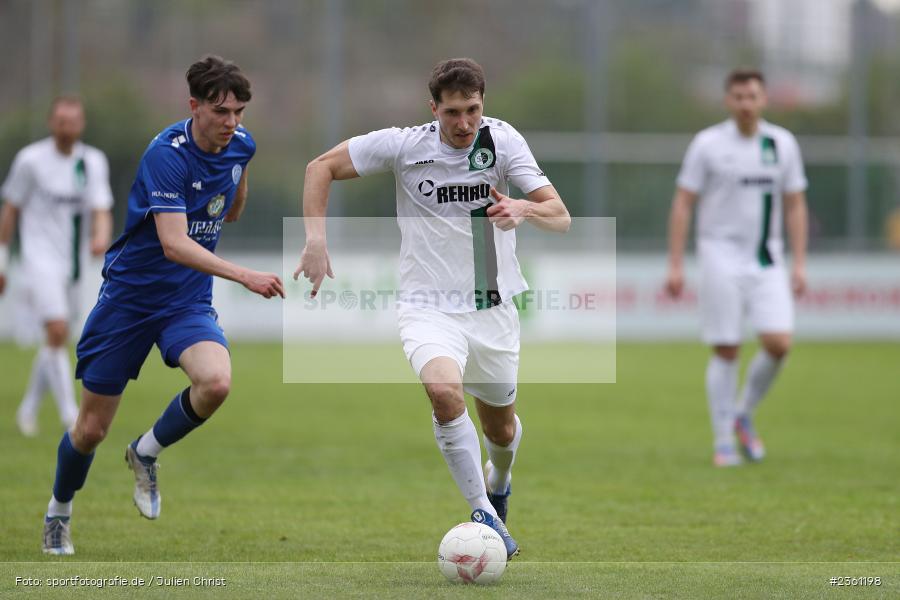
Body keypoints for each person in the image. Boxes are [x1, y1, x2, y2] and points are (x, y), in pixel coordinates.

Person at [294, 58, 570, 558]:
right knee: (443, 393)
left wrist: (524, 207)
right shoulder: (406, 145)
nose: (463, 123)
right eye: (452, 112)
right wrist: (315, 239)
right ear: (433, 109)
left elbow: (560, 215)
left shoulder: (503, 141)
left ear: (483, 104)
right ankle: (484, 512)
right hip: (427, 308)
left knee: (501, 431)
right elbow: (320, 168)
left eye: (472, 110)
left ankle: (499, 479)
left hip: (492, 310)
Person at [40, 56, 285, 555]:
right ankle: (58, 512)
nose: (232, 122)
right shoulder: (166, 155)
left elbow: (231, 212)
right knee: (90, 429)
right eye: (220, 111)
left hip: (185, 301)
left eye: (238, 112)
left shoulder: (241, 144)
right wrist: (244, 275)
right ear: (194, 105)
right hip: (129, 301)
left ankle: (145, 452)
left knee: (216, 383)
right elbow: (173, 244)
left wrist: (238, 170)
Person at [665, 69, 808, 467]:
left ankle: (743, 413)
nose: (746, 103)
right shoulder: (707, 144)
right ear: (728, 100)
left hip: (767, 258)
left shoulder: (782, 144)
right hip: (719, 255)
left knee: (779, 343)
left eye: (753, 96)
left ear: (764, 100)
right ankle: (724, 441)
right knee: (727, 347)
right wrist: (675, 263)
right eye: (739, 97)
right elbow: (683, 203)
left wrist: (799, 262)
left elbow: (795, 204)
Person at [0, 96, 113, 437]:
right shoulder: (30, 160)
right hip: (39, 259)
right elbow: (10, 210)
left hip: (73, 264)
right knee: (58, 330)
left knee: (56, 340)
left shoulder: (93, 161)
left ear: (82, 124)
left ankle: (28, 410)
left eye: (73, 121)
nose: (67, 128)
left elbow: (101, 208)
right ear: (52, 123)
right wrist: (2, 260)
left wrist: (101, 237)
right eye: (61, 121)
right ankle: (71, 416)